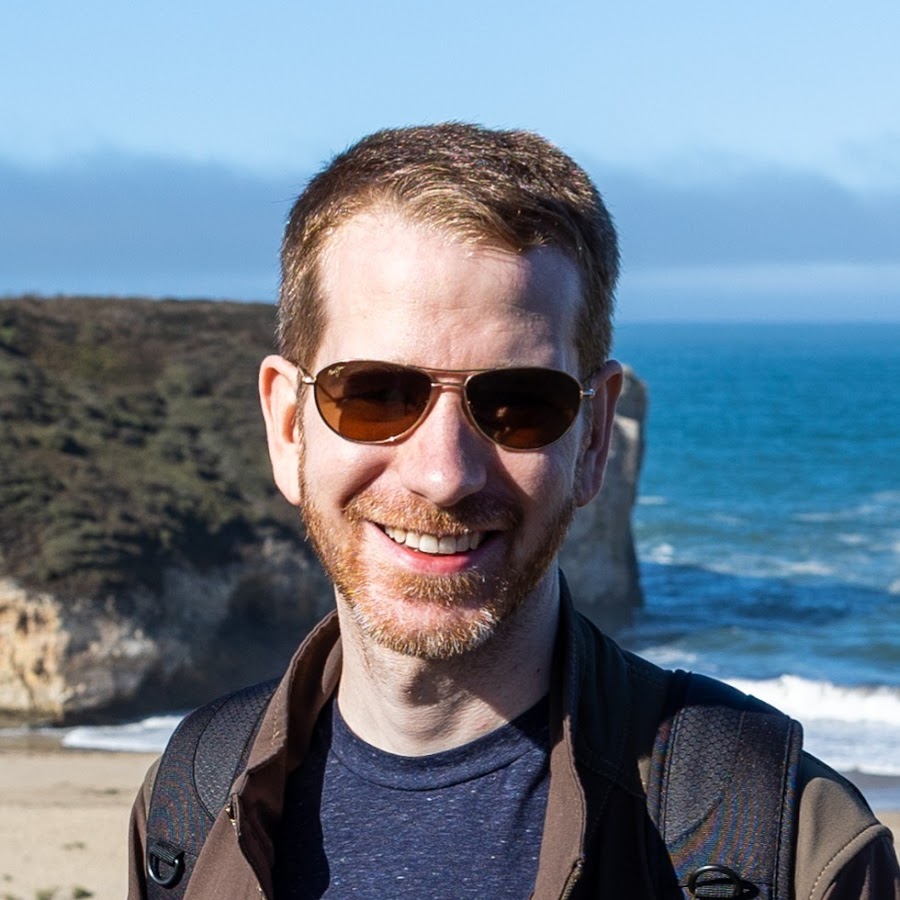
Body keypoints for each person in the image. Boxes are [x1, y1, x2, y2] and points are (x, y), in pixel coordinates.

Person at [128, 123, 900, 899]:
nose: (444, 475)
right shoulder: (189, 806)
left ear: (594, 436)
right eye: (375, 395)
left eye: (520, 403)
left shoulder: (787, 844)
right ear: (287, 425)